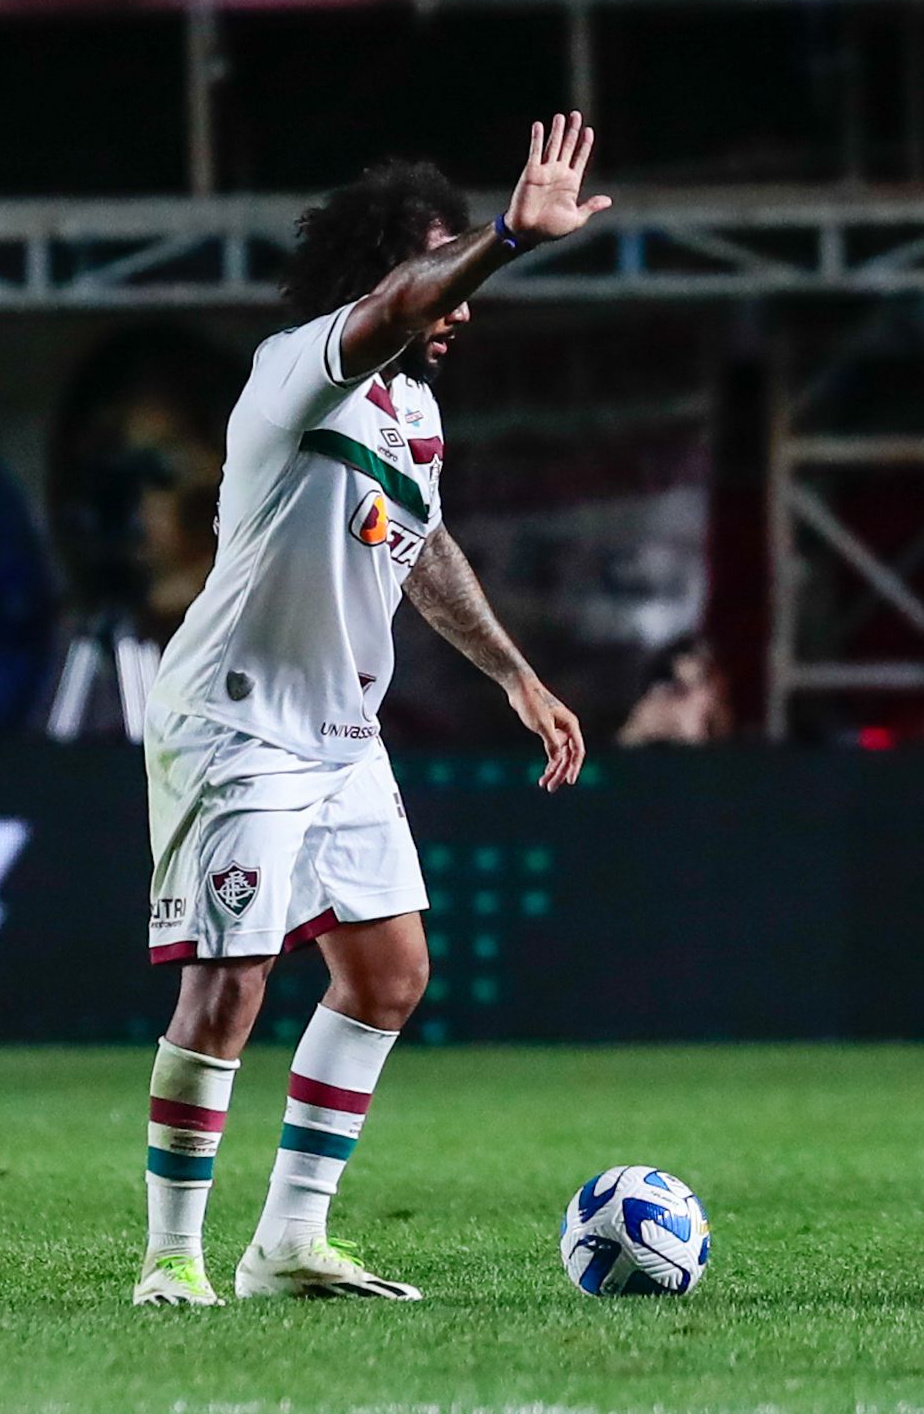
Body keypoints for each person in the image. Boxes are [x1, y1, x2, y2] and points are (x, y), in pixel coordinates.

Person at [132, 118, 611, 1307]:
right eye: (442, 272)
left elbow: (424, 545)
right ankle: (171, 1258)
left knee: (391, 973)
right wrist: (503, 236)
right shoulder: (303, 362)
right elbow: (402, 303)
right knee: (230, 980)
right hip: (236, 717)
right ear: (390, 273)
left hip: (341, 732)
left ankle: (288, 1241)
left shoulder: (411, 414)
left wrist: (514, 673)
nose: (461, 304)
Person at [617, 634, 733, 747]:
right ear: (677, 664)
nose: (700, 666)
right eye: (693, 658)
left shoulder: (709, 697)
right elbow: (626, 740)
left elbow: (698, 738)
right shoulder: (655, 702)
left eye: (706, 661)